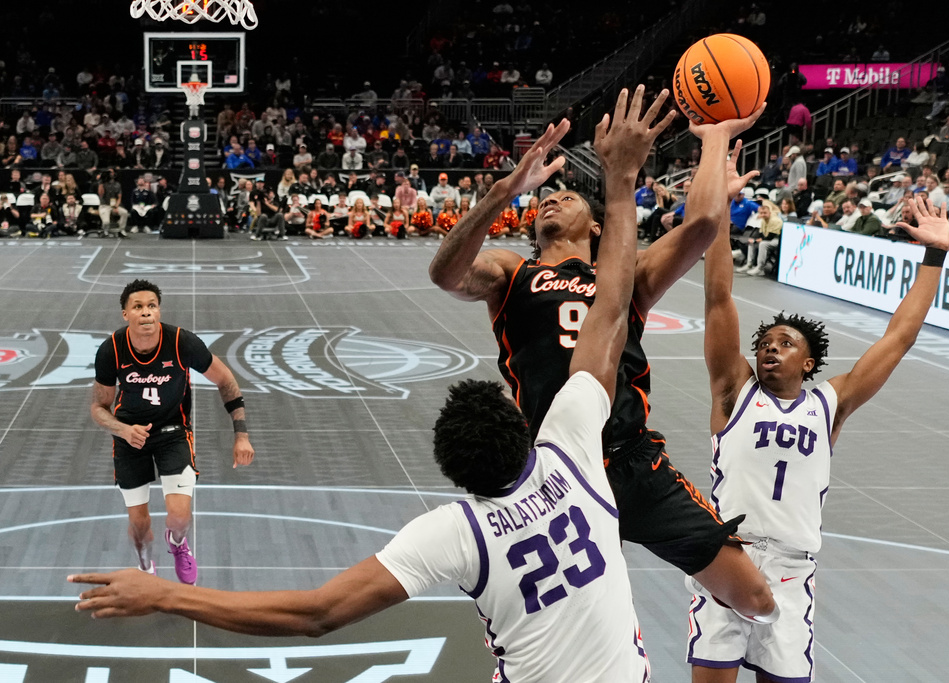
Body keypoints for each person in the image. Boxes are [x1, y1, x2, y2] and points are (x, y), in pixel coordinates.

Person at [71, 95, 665, 683]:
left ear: (453, 474)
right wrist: (624, 180)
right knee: (757, 601)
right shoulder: (574, 458)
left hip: (171, 439)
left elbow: (316, 612)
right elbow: (609, 314)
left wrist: (163, 597)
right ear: (525, 429)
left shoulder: (459, 530)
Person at [428, 87, 778, 621]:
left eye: (569, 198)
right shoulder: (511, 273)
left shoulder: (628, 275)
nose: (553, 198)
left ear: (596, 227)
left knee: (754, 598)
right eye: (546, 197)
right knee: (558, 620)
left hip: (630, 459)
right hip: (551, 472)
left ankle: (724, 649)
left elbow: (703, 224)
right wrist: (505, 190)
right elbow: (445, 274)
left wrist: (714, 138)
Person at [689, 194, 949, 683]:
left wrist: (934, 255)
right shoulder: (734, 390)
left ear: (809, 364)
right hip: (729, 555)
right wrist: (720, 214)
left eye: (785, 344)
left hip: (792, 567)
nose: (770, 349)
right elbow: (718, 297)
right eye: (765, 344)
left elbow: (899, 337)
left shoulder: (830, 403)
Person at [89, 280, 255, 584]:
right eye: (138, 307)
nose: (146, 313)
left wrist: (241, 434)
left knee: (179, 515)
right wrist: (123, 430)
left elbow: (226, 380)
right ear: (125, 313)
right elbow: (99, 408)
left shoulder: (181, 342)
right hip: (130, 439)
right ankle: (145, 566)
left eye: (152, 305)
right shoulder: (111, 349)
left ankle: (178, 544)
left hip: (173, 432)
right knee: (138, 526)